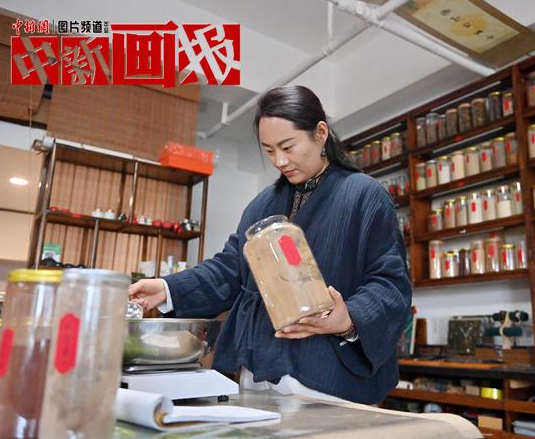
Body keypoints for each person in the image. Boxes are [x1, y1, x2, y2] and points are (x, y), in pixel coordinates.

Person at [129, 85, 412, 404]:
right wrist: (167, 288)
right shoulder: (261, 205)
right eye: (269, 150)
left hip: (327, 374)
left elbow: (390, 284)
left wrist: (347, 318)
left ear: (320, 134)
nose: (280, 160)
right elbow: (230, 269)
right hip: (256, 370)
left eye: (288, 147)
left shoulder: (365, 196)